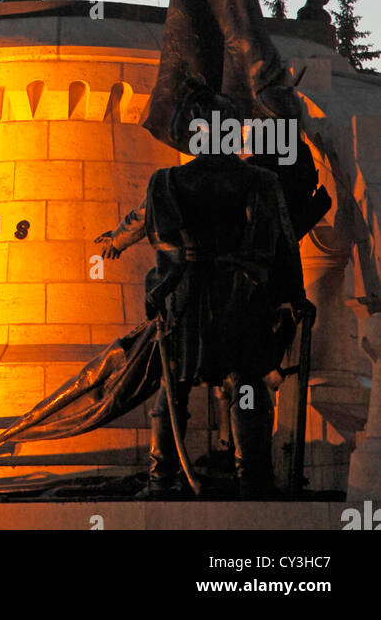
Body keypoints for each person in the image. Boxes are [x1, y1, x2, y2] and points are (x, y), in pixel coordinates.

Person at [121, 98, 309, 500]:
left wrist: (125, 253)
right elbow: (282, 244)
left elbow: (147, 225)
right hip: (238, 293)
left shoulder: (168, 181)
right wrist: (295, 294)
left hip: (185, 292)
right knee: (245, 383)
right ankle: (252, 479)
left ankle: (161, 479)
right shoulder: (258, 180)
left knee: (174, 388)